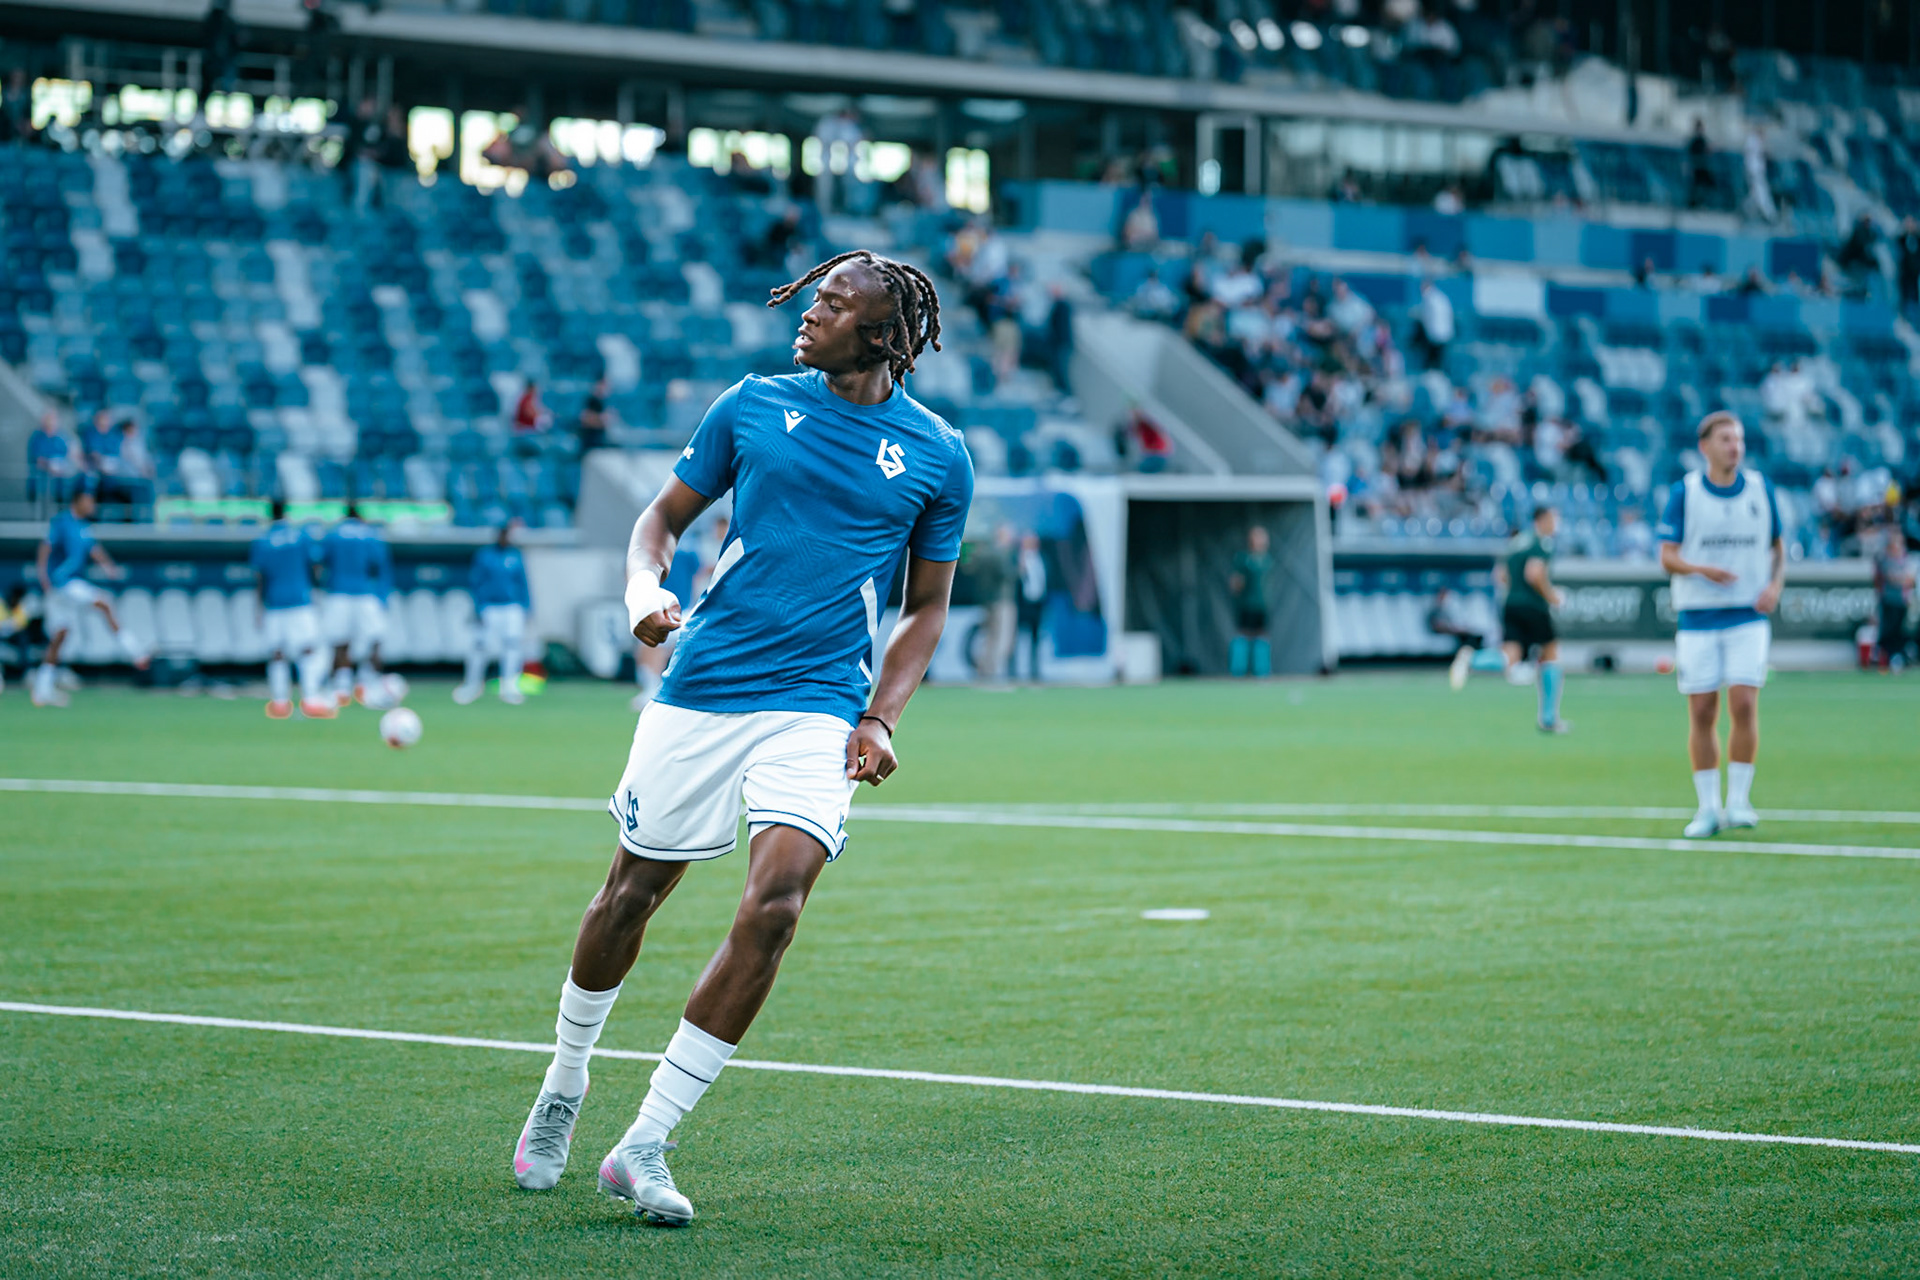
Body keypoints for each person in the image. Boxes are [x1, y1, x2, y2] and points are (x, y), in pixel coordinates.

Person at [510, 249, 971, 1226]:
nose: (809, 313)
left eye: (834, 303)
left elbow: (926, 608)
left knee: (776, 905)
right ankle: (564, 1080)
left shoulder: (937, 454)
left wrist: (882, 715)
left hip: (818, 705)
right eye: (814, 297)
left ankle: (646, 1139)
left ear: (884, 334)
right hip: (704, 685)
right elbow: (658, 520)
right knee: (631, 890)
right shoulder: (752, 403)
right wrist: (645, 592)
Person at [1656, 411, 1786, 838]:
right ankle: (1707, 807)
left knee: (1745, 703)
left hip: (1747, 615)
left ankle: (1740, 800)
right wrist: (1702, 570)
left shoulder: (1761, 489)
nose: (1735, 446)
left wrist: (1775, 586)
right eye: (1726, 439)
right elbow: (1667, 556)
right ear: (1705, 446)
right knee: (1702, 710)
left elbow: (1778, 546)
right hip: (1697, 617)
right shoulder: (1685, 493)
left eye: (1739, 439)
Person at [31, 490, 150, 707]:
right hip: (63, 583)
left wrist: (108, 566)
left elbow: (95, 550)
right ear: (77, 502)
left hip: (65, 589)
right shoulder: (61, 522)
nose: (92, 505)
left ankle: (42, 689)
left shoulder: (84, 527)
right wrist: (42, 575)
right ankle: (135, 652)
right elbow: (45, 548)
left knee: (60, 636)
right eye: (89, 501)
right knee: (104, 602)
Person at [252, 499, 334, 720]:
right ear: (287, 512)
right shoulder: (301, 536)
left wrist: (259, 608)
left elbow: (260, 577)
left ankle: (279, 703)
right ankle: (311, 700)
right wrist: (315, 589)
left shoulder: (262, 540)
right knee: (307, 650)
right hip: (300, 601)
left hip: (275, 603)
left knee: (278, 653)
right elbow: (315, 566)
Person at [1494, 505, 1568, 732]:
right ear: (1543, 520)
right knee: (1551, 654)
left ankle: (1471, 660)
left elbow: (1499, 575)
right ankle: (1548, 719)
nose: (1556, 524)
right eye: (1554, 519)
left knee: (1510, 657)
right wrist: (1552, 596)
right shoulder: (1540, 542)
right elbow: (1534, 574)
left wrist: (1515, 592)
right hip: (1533, 606)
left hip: (1510, 604)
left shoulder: (1516, 542)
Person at [319, 503, 396, 708]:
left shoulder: (333, 534)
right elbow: (380, 567)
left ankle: (341, 690)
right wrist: (382, 597)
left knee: (340, 642)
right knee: (375, 641)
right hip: (364, 594)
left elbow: (320, 562)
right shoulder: (369, 534)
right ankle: (367, 686)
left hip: (338, 593)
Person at [456, 522, 532, 704]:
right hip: (490, 607)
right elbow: (476, 583)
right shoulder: (484, 556)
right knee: (480, 647)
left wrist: (527, 607)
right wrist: (478, 607)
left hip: (512, 607)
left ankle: (509, 687)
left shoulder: (516, 556)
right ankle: (472, 685)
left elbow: (523, 583)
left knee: (512, 647)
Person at [970, 523, 1016, 682]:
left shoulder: (985, 553)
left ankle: (985, 670)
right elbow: (1007, 574)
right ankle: (992, 673)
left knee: (990, 637)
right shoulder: (999, 554)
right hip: (1001, 601)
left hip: (989, 601)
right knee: (1001, 638)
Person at [1228, 525, 1273, 677]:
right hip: (1247, 605)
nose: (1261, 540)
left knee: (1262, 637)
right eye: (1257, 537)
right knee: (1243, 636)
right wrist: (1237, 584)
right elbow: (1235, 583)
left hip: (1262, 606)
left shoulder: (1267, 560)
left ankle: (1262, 672)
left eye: (1263, 537)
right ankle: (1238, 672)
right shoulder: (1243, 559)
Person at [1873, 529, 1915, 670]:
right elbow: (1890, 577)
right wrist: (1901, 579)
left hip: (1902, 602)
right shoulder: (1885, 558)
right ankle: (1885, 657)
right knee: (1887, 631)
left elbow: (1910, 579)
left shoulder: (1904, 558)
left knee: (1900, 631)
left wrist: (1902, 579)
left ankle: (1898, 657)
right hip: (1889, 601)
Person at [1013, 531, 1047, 680]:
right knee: (1016, 638)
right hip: (1022, 604)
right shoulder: (1017, 559)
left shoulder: (1042, 559)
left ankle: (1035, 671)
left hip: (1037, 604)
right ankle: (1014, 671)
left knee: (1036, 638)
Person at [28, 410, 77, 508]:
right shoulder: (37, 437)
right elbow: (37, 459)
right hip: (42, 476)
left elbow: (70, 456)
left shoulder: (62, 437)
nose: (51, 422)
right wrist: (50, 466)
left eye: (54, 419)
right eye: (49, 419)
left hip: (60, 476)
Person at [1412, 279, 1453, 372]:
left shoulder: (1430, 298)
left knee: (1434, 358)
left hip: (1435, 335)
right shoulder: (1441, 297)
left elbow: (1425, 316)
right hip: (1444, 334)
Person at [577, 378, 611, 455]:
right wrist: (601, 420)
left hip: (600, 440)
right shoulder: (590, 400)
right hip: (589, 441)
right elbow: (585, 419)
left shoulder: (604, 402)